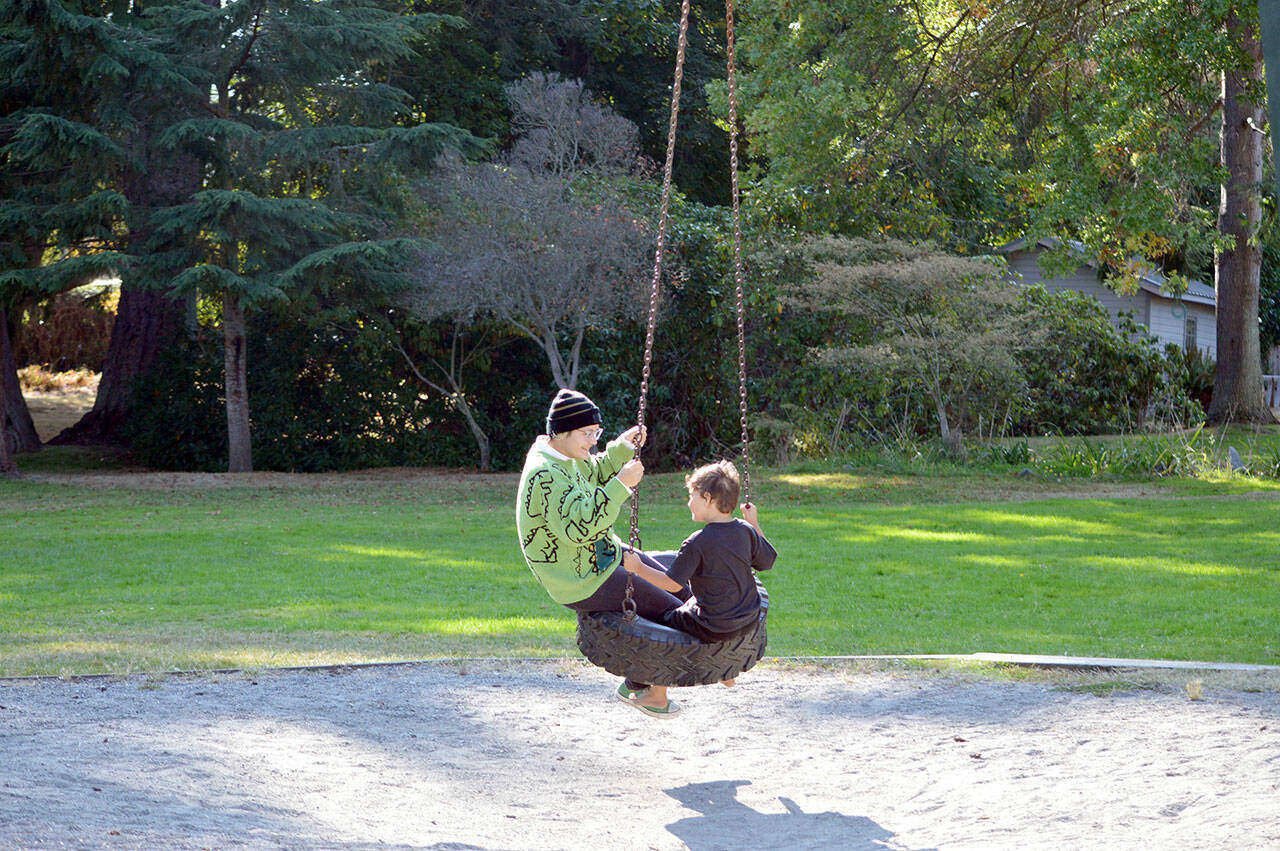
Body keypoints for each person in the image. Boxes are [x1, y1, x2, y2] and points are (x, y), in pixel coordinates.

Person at [516, 388, 688, 714]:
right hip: (578, 577)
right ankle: (641, 690)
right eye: (587, 434)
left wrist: (621, 448)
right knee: (671, 613)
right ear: (560, 431)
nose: (592, 441)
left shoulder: (566, 457)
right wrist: (621, 484)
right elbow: (579, 527)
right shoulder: (545, 474)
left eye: (596, 433)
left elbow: (594, 469)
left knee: (677, 586)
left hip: (602, 556)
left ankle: (643, 681)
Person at [619, 459, 776, 715]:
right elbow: (767, 561)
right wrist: (754, 522)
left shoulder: (697, 542)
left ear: (707, 498)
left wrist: (637, 568)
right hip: (747, 619)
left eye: (691, 496)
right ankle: (726, 670)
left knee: (664, 622)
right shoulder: (746, 531)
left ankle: (657, 695)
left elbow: (670, 583)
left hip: (714, 623)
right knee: (695, 604)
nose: (688, 502)